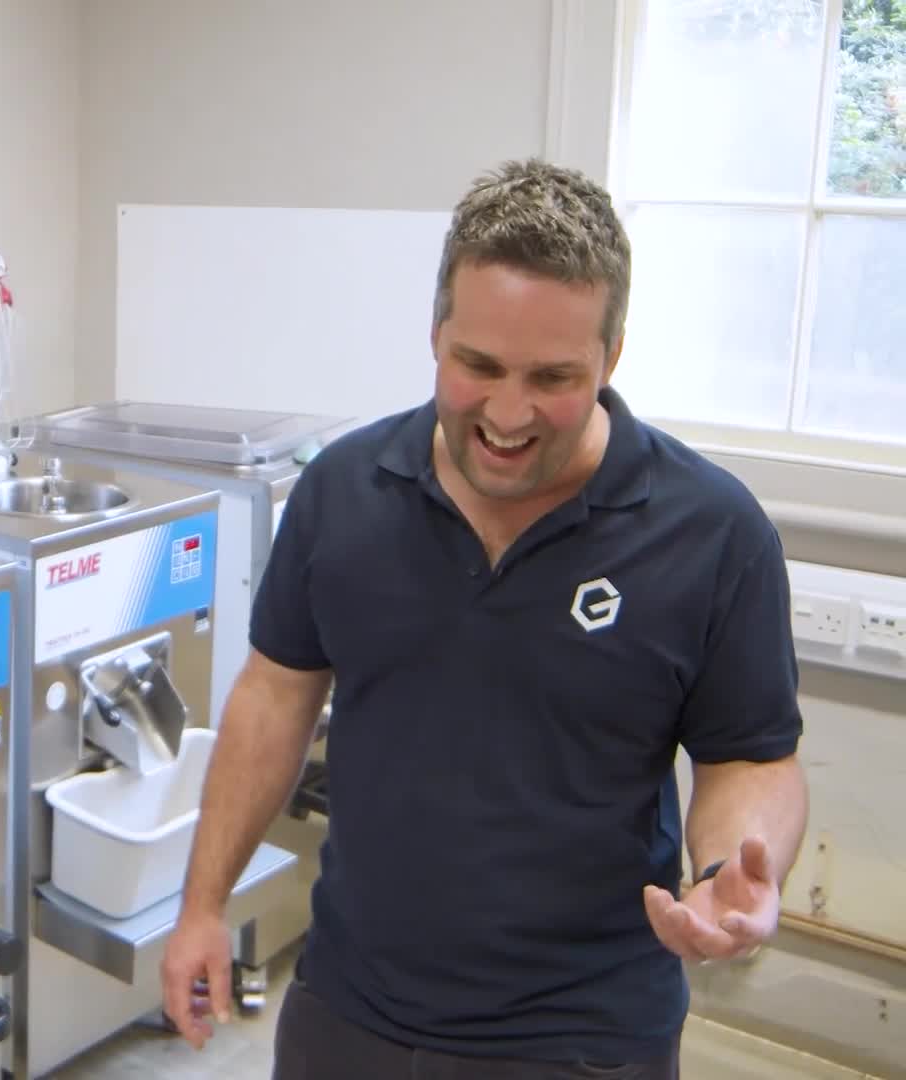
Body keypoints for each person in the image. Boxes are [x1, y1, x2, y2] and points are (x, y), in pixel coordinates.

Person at [160, 158, 809, 1078]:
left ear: (612, 358)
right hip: (348, 1007)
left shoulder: (712, 532)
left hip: (583, 1037)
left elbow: (750, 754)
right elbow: (274, 696)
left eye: (553, 377)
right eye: (478, 366)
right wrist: (202, 905)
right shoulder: (342, 492)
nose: (508, 413)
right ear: (436, 335)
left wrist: (727, 875)